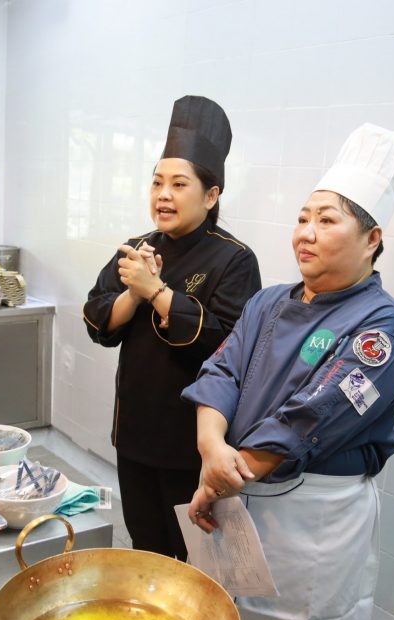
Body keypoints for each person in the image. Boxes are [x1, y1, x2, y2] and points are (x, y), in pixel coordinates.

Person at [182, 123, 394, 620]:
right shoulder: (267, 303)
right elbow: (221, 371)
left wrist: (220, 478)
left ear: (372, 238)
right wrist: (211, 448)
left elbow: (313, 417)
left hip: (313, 518)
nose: (306, 233)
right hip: (236, 486)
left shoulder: (382, 326)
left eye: (327, 220)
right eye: (303, 218)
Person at [83, 95, 261, 560]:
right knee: (146, 550)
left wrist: (158, 291)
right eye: (157, 182)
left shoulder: (234, 259)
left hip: (192, 447)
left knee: (197, 561)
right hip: (134, 434)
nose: (163, 194)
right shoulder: (137, 247)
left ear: (211, 195)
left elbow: (226, 345)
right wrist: (134, 294)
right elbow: (97, 318)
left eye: (179, 184)